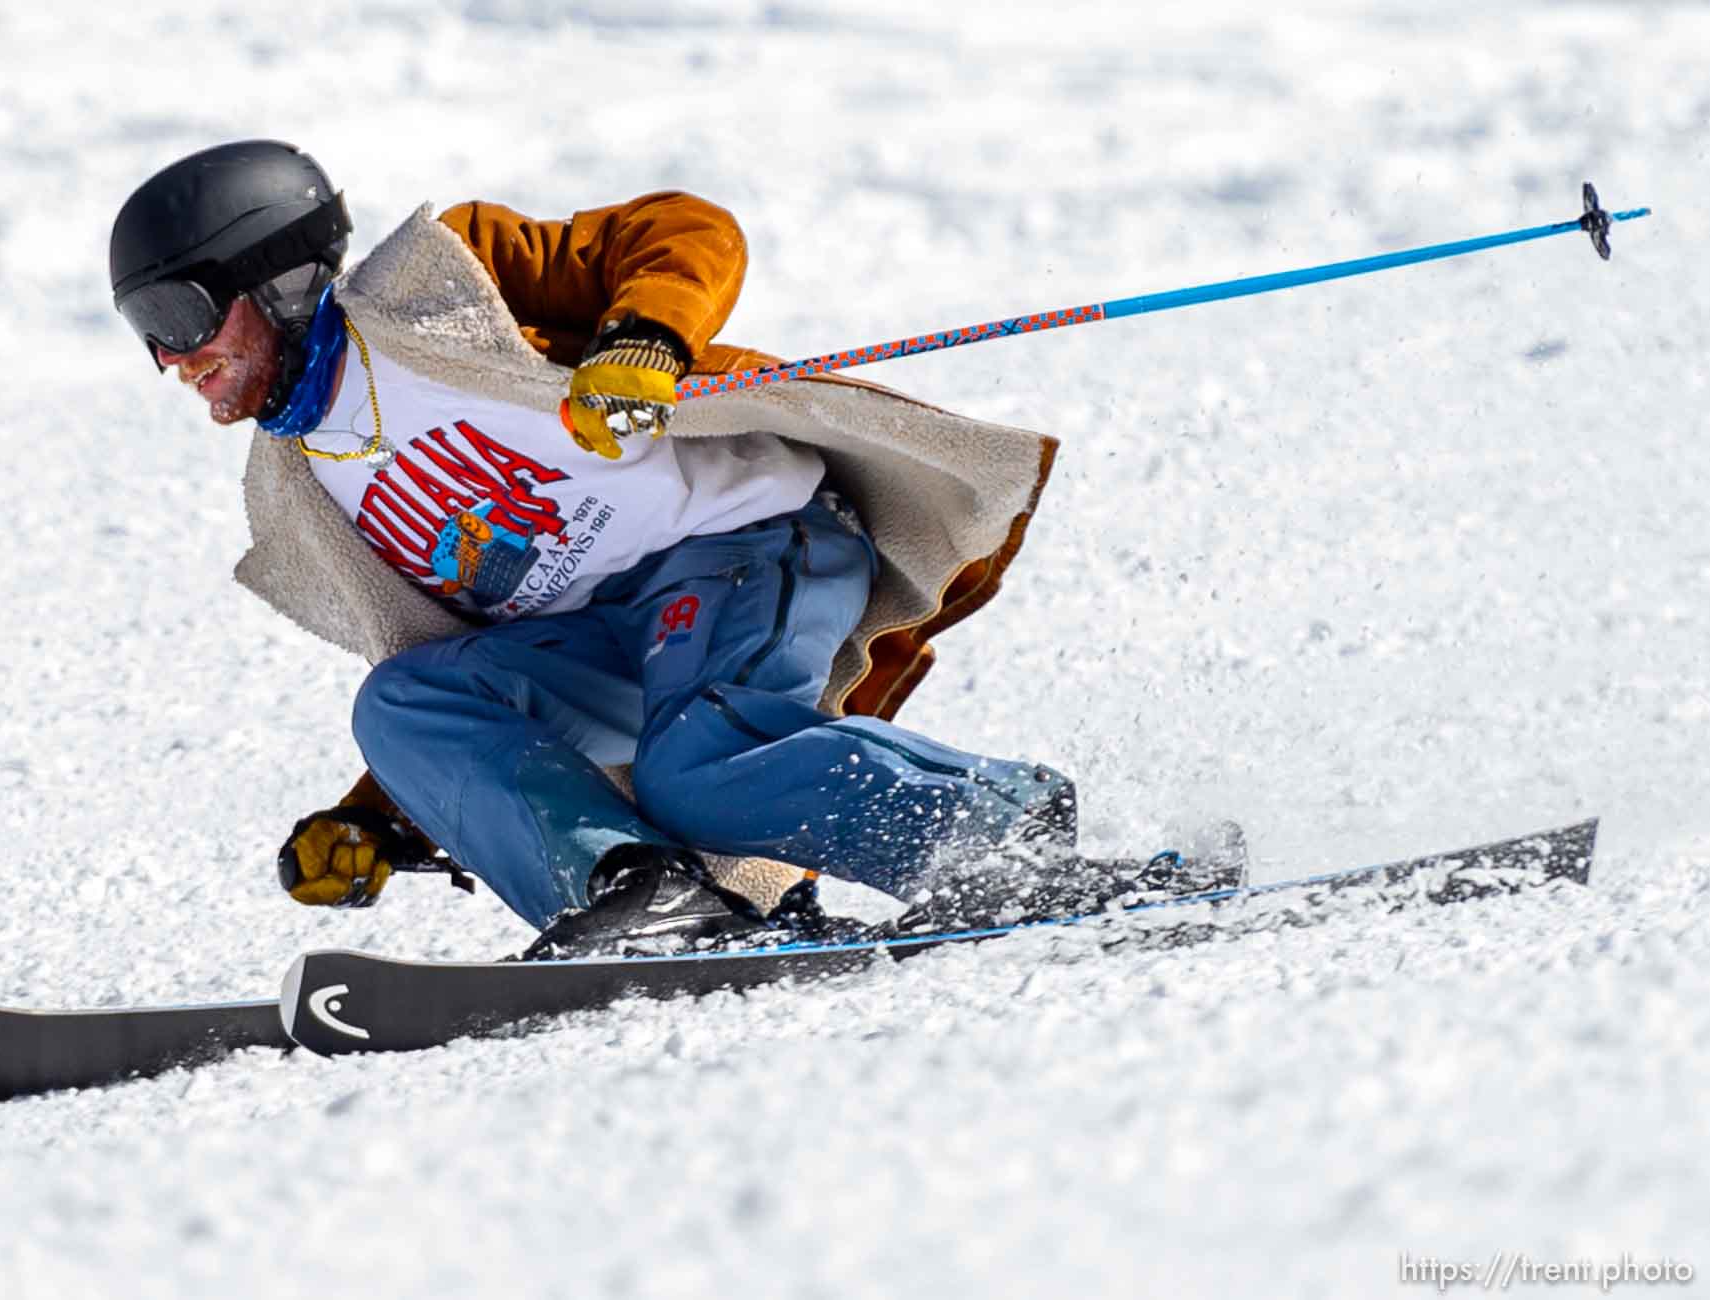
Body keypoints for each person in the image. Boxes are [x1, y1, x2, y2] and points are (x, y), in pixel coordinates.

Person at [108, 140, 1225, 955]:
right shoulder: (304, 478)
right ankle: (647, 893)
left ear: (277, 277)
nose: (171, 358)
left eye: (179, 314)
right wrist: (377, 814)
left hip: (742, 543)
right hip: (603, 639)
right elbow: (467, 674)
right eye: (145, 335)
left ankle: (1003, 837)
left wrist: (644, 344)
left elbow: (685, 228)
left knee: (701, 762)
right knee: (401, 702)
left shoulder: (440, 289)